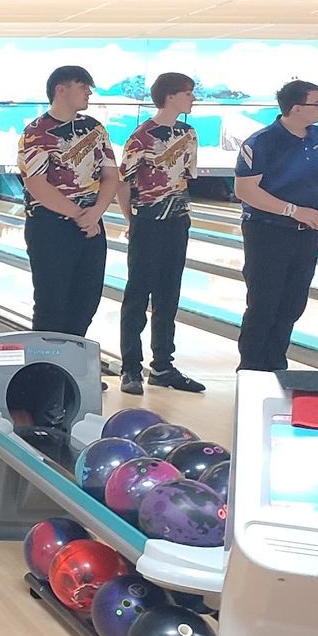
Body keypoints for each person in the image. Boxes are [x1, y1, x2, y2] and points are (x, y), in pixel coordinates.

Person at [235, 79, 318, 373]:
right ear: (296, 108)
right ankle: (252, 366)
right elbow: (245, 190)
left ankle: (276, 363)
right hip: (267, 231)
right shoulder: (261, 142)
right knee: (264, 301)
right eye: (317, 103)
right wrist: (294, 211)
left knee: (293, 302)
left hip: (306, 233)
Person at [117, 72, 204, 396]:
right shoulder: (142, 136)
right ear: (171, 97)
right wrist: (133, 221)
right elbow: (124, 182)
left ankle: (163, 366)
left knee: (169, 295)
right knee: (137, 296)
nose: (193, 99)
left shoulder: (188, 133)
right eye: (189, 93)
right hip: (148, 224)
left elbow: (184, 177)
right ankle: (130, 367)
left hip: (178, 222)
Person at [19, 65, 120, 339]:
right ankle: (47, 378)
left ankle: (71, 374)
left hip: (91, 226)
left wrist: (95, 212)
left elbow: (112, 175)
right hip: (50, 228)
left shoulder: (95, 129)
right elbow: (36, 183)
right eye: (82, 86)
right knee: (52, 307)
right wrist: (80, 214)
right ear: (60, 90)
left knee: (86, 304)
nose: (89, 92)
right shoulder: (36, 132)